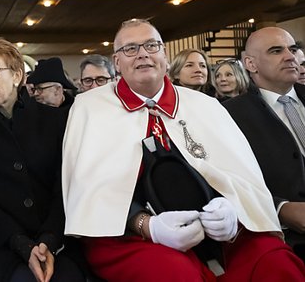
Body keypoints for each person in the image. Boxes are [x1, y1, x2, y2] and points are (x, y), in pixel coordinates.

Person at [62, 19, 305, 281]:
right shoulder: (90, 107)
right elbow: (89, 189)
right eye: (130, 49)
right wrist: (147, 226)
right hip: (129, 234)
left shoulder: (205, 105)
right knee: (177, 274)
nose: (143, 53)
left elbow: (239, 174)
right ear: (117, 62)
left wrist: (232, 211)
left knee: (274, 261)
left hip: (217, 228)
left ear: (165, 56)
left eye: (151, 45)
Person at [0, 38, 85, 282]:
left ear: (17, 75)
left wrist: (49, 238)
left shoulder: (55, 121)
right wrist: (20, 243)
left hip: (56, 236)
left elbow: (65, 187)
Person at [223, 27, 305, 259]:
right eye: (276, 50)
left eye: (293, 49)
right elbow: (227, 178)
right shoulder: (229, 114)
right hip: (285, 236)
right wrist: (281, 208)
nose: (290, 56)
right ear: (251, 64)